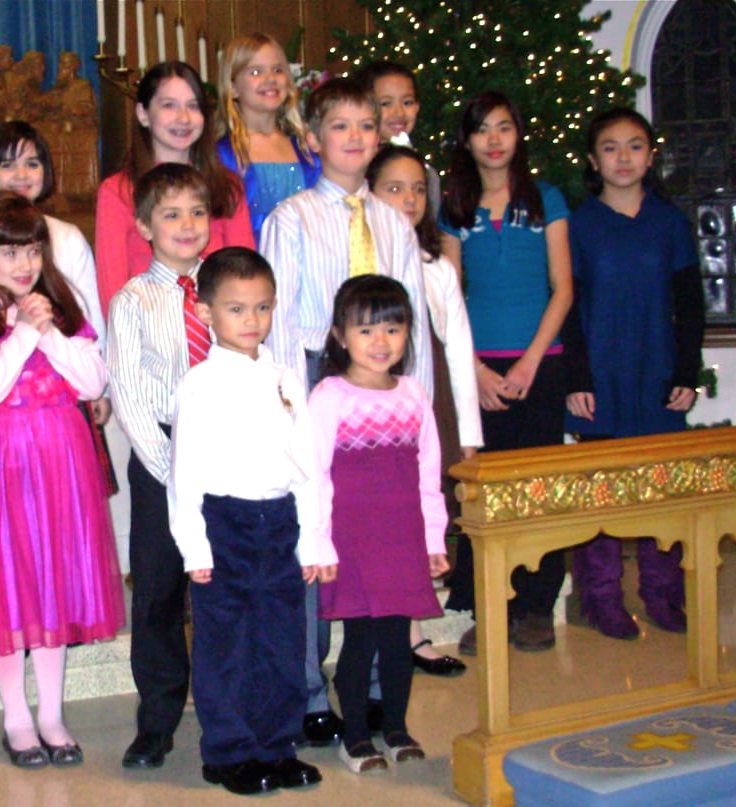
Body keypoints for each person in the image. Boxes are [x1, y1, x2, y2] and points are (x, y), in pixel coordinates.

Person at [260, 76, 432, 745]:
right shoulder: (292, 218)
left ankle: (382, 689)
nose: (356, 137)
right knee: (317, 538)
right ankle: (309, 690)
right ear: (312, 139)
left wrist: (415, 405)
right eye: (340, 125)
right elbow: (278, 328)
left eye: (367, 125)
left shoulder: (392, 221)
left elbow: (412, 324)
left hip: (385, 395)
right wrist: (290, 415)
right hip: (317, 382)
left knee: (383, 541)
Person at [0, 191, 124, 770]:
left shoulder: (59, 309)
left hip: (61, 463)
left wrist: (48, 332)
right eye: (10, 251)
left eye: (33, 250)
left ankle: (52, 716)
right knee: (8, 583)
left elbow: (92, 382)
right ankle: (17, 717)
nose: (25, 263)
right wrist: (20, 333)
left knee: (53, 581)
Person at [168, 246, 334, 794]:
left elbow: (306, 468)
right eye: (236, 309)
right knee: (228, 645)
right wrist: (195, 548)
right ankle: (229, 751)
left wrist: (313, 542)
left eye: (262, 307)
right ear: (205, 312)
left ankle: (277, 746)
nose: (251, 320)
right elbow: (185, 474)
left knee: (283, 642)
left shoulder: (285, 378)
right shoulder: (199, 384)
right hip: (226, 525)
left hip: (280, 523)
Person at [439, 91, 573, 654]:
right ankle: (491, 608)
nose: (493, 140)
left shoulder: (546, 199)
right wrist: (474, 371)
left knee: (539, 489)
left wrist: (530, 361)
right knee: (486, 493)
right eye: (482, 129)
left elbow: (563, 289)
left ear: (518, 135)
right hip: (478, 367)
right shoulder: (454, 207)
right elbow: (449, 299)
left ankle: (537, 606)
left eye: (504, 127)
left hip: (541, 363)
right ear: (467, 141)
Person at [563, 108, 704, 639]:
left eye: (635, 146)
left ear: (650, 156)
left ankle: (663, 593)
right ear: (593, 159)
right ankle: (602, 597)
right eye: (610, 147)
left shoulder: (669, 223)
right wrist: (578, 378)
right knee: (603, 491)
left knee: (660, 489)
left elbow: (689, 304)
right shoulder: (578, 225)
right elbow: (567, 305)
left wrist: (686, 371)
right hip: (600, 379)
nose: (623, 157)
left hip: (657, 373)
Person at [309, 275, 448, 772]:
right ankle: (355, 737)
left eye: (393, 328)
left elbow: (429, 474)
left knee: (396, 642)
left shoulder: (413, 394)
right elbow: (314, 475)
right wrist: (319, 544)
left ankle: (396, 728)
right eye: (366, 330)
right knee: (360, 639)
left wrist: (433, 538)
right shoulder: (330, 395)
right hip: (351, 543)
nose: (381, 341)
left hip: (403, 540)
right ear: (340, 336)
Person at [106, 162, 215, 770]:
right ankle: (157, 720)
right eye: (171, 214)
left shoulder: (225, 288)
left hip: (227, 454)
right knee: (159, 590)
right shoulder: (133, 300)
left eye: (197, 212)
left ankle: (228, 707)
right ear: (146, 226)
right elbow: (129, 393)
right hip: (162, 457)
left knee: (224, 587)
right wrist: (174, 473)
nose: (187, 224)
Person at [368, 144, 483, 677]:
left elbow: (458, 349)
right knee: (383, 522)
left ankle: (412, 633)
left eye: (418, 189)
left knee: (419, 518)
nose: (409, 199)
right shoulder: (365, 260)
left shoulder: (437, 267)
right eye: (394, 188)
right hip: (375, 409)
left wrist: (468, 434)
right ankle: (381, 633)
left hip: (429, 403)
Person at [0, 120, 110, 429]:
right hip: (0, 389)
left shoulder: (66, 236)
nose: (22, 175)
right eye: (8, 165)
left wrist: (101, 389)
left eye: (32, 164)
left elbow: (90, 315)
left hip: (64, 382)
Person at [94, 60, 253, 315]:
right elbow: (113, 293)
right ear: (143, 113)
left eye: (193, 106)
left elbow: (245, 277)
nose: (184, 118)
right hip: (148, 329)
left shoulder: (227, 186)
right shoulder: (118, 191)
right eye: (169, 105)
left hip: (219, 328)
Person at [216, 32, 320, 243]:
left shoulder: (306, 149)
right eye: (256, 72)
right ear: (233, 87)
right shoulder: (223, 154)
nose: (270, 79)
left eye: (278, 70)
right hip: (249, 258)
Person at [358, 60, 440, 213]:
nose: (399, 113)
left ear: (417, 107)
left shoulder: (427, 174)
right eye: (385, 103)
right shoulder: (354, 169)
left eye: (407, 102)